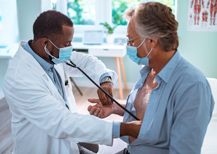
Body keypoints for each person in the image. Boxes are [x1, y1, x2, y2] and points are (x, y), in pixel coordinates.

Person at [3, 10, 142, 154]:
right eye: (67, 43)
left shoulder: (50, 54)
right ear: (46, 43)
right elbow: (61, 122)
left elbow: (88, 62)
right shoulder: (20, 79)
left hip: (69, 141)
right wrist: (123, 128)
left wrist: (105, 80)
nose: (70, 47)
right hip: (44, 147)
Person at [88, 2, 215, 154]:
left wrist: (112, 129)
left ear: (152, 41)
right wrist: (114, 108)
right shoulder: (148, 71)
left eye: (131, 41)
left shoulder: (193, 86)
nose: (128, 46)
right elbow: (147, 112)